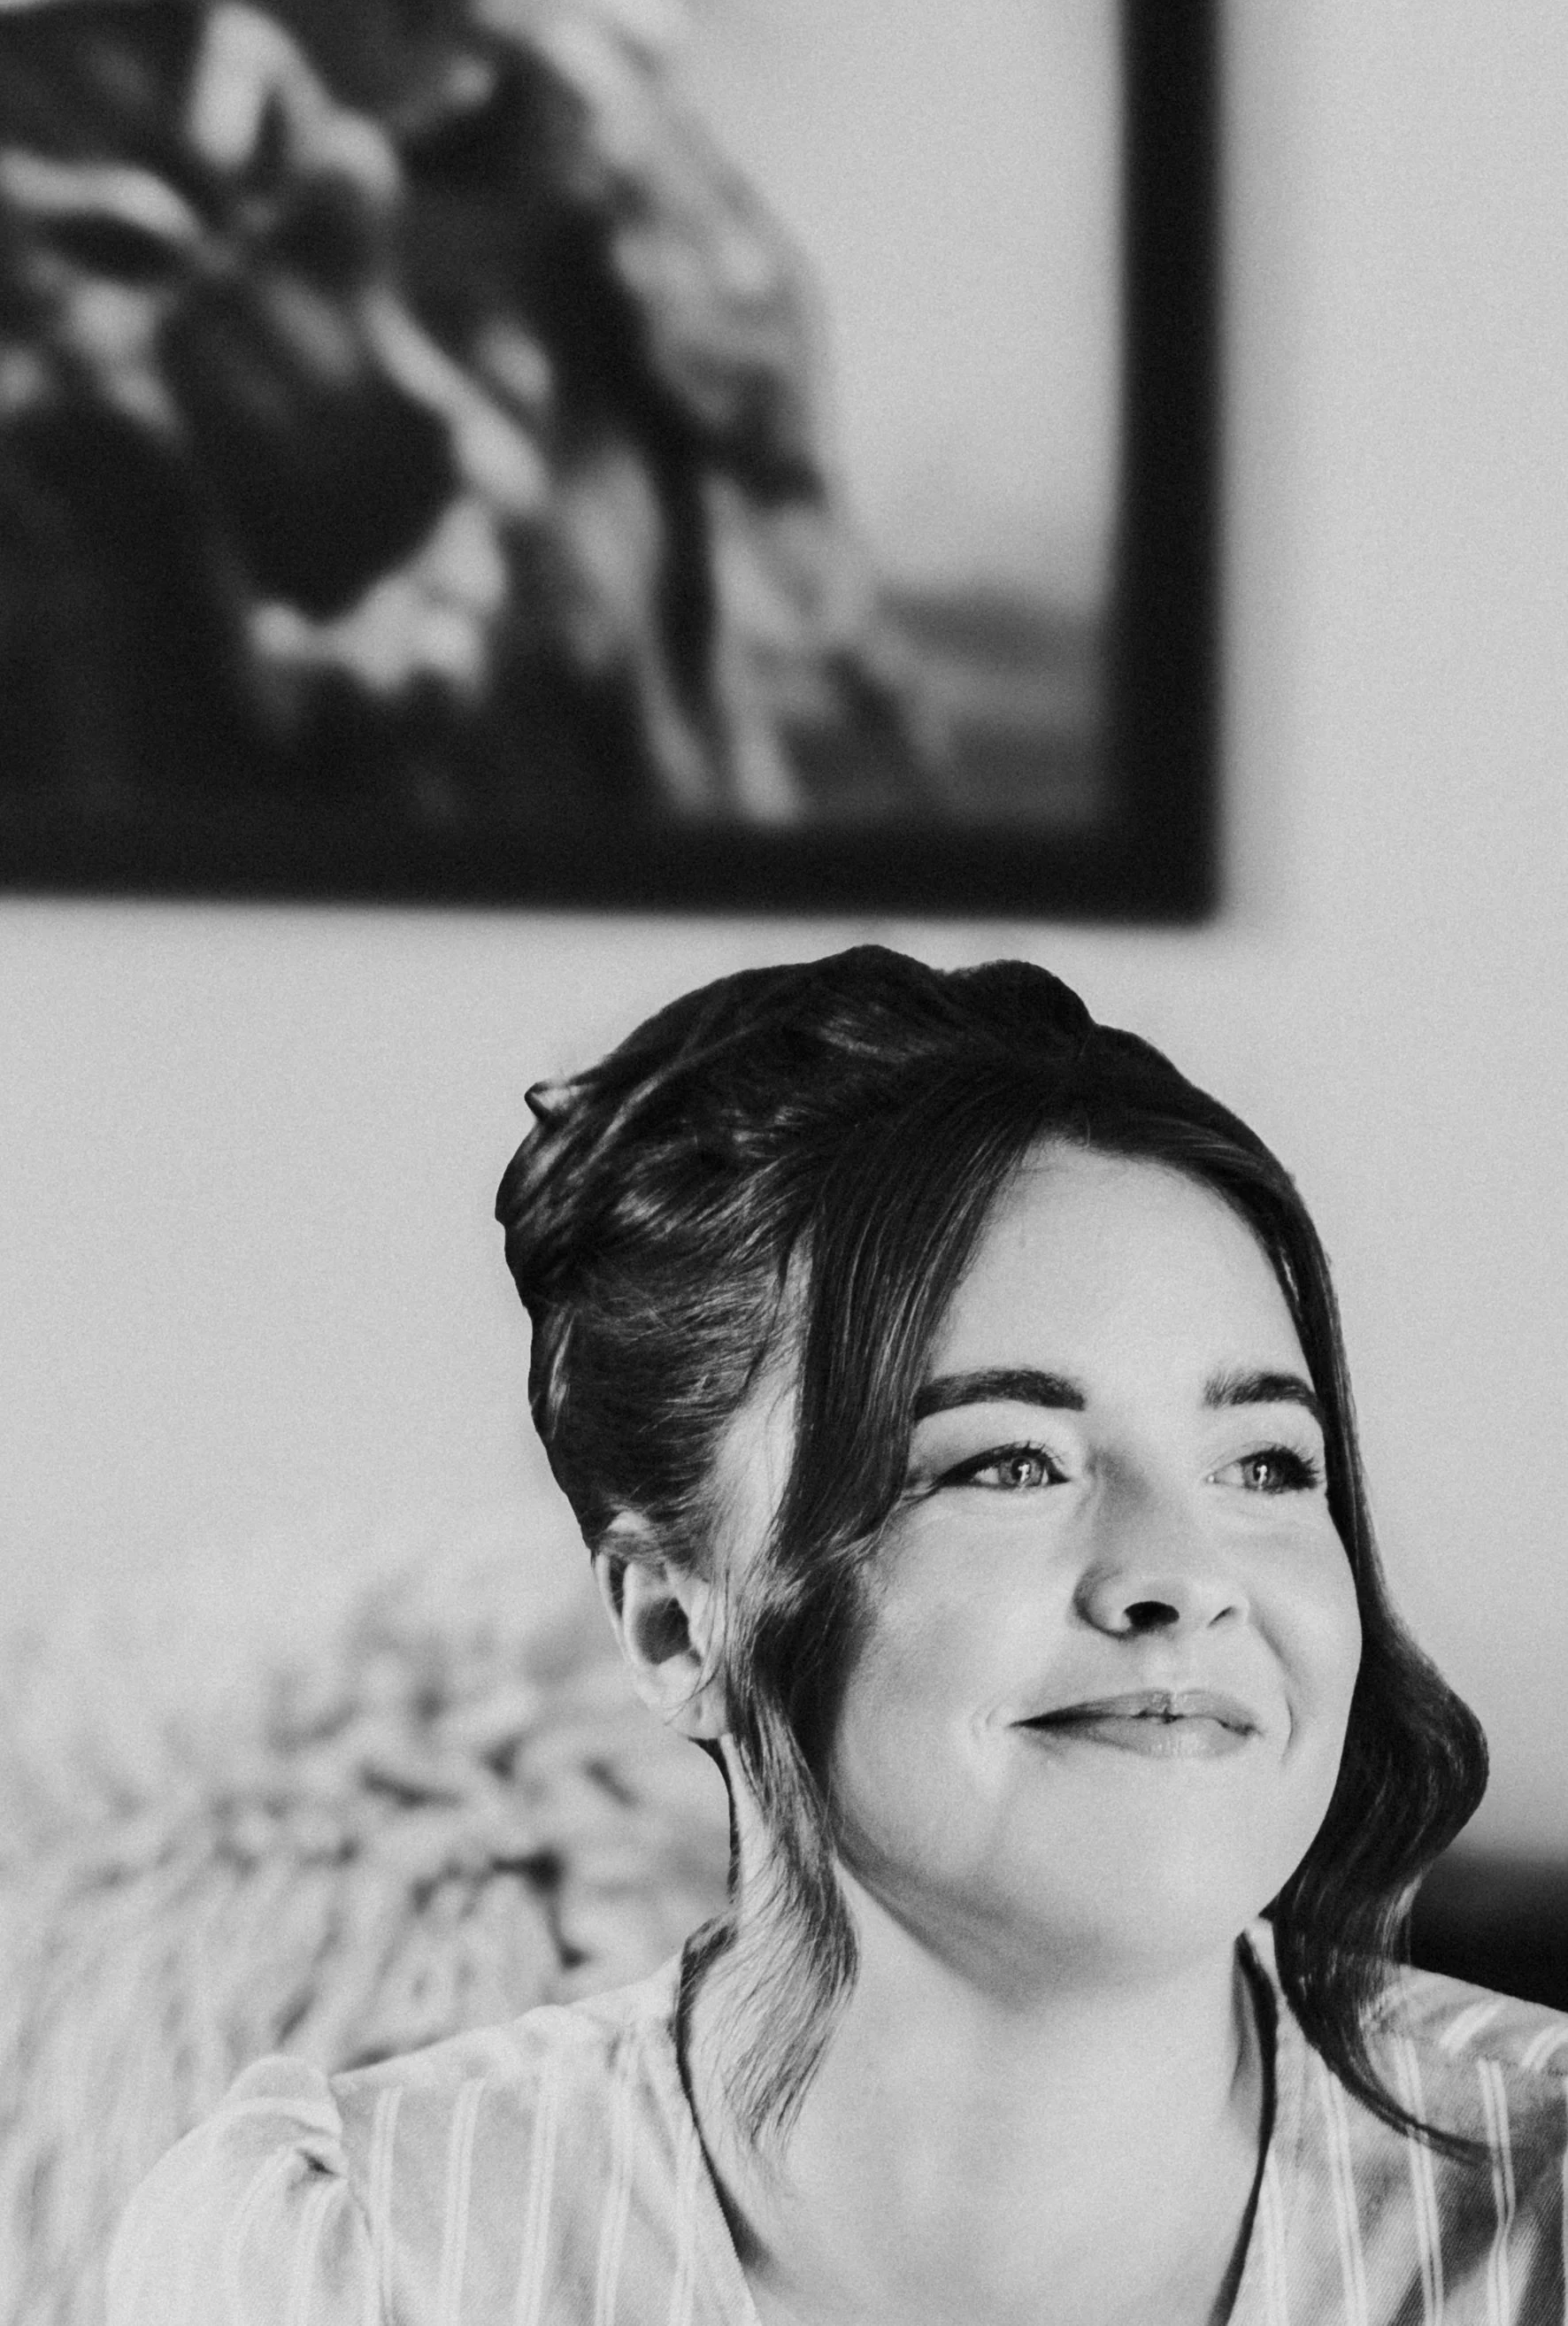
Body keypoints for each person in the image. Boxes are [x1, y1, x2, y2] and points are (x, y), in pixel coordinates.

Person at [108, 948, 1561, 2322]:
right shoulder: (350, 2259)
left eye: (1266, 1466)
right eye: (1006, 1462)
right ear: (680, 1623)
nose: (1184, 1576)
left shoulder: (1544, 2209)